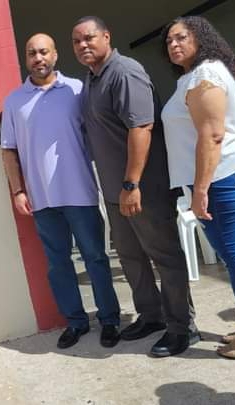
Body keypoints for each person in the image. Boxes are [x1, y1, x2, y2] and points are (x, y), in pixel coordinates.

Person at [72, 16, 196, 357]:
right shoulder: (92, 78)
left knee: (164, 256)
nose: (83, 45)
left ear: (107, 37)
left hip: (143, 188)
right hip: (115, 191)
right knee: (130, 257)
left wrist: (132, 183)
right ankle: (152, 315)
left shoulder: (124, 72)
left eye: (89, 38)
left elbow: (141, 127)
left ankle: (182, 328)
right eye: (77, 41)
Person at [1, 33, 121, 349]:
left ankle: (109, 320)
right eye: (31, 53)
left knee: (95, 258)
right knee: (58, 264)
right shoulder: (14, 101)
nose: (38, 58)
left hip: (80, 191)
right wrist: (18, 191)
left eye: (43, 52)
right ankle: (76, 321)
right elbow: (9, 151)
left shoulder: (77, 90)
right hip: (41, 200)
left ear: (55, 55)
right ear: (25, 59)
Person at [160, 16, 235, 359]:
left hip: (220, 178)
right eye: (169, 41)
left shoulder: (205, 74)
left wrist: (201, 189)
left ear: (200, 37)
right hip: (213, 178)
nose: (174, 44)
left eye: (182, 37)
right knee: (231, 255)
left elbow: (212, 134)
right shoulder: (194, 75)